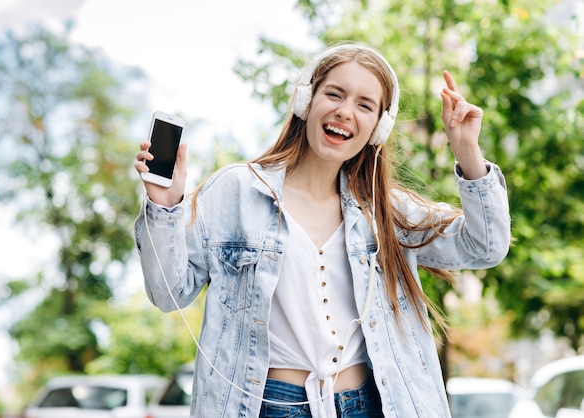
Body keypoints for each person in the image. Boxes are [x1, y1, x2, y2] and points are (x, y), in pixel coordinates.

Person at [133, 42, 510, 417]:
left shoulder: (385, 209)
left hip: (370, 404)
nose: (345, 112)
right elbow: (169, 293)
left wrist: (467, 152)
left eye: (364, 105)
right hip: (269, 406)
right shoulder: (236, 191)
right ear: (305, 101)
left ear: (379, 126)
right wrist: (164, 208)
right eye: (334, 94)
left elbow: (484, 246)